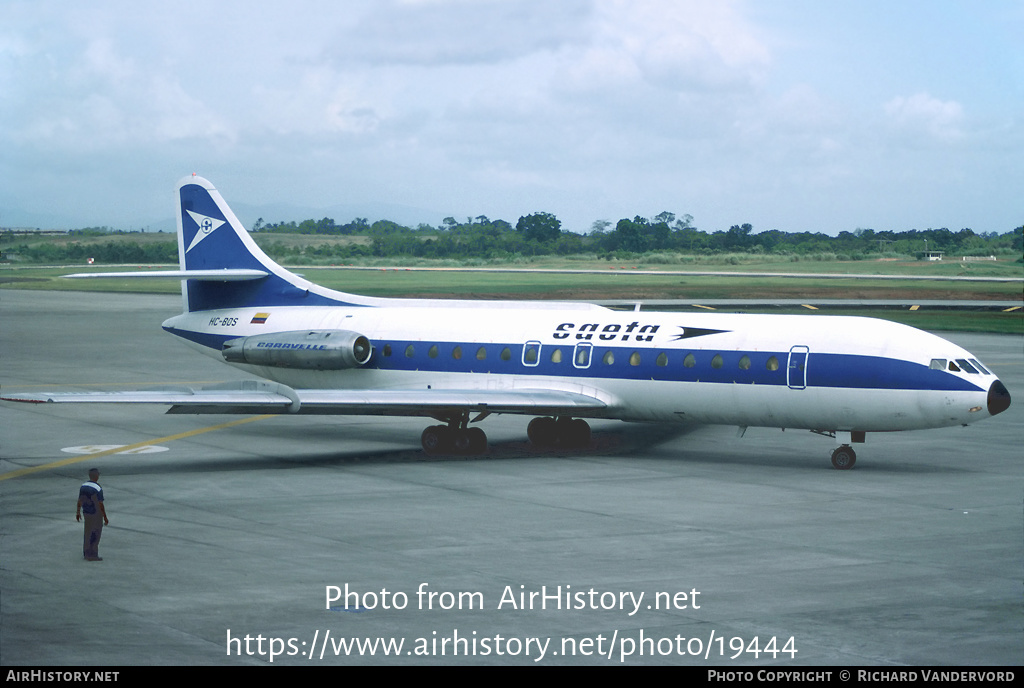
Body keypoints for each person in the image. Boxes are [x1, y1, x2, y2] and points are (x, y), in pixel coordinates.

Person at [76, 468, 108, 561]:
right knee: (95, 534)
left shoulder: (83, 486)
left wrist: (78, 512)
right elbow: (100, 504)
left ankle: (86, 553)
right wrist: (105, 517)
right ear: (96, 476)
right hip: (96, 514)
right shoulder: (97, 488)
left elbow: (80, 500)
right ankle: (93, 554)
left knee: (87, 532)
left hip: (86, 513)